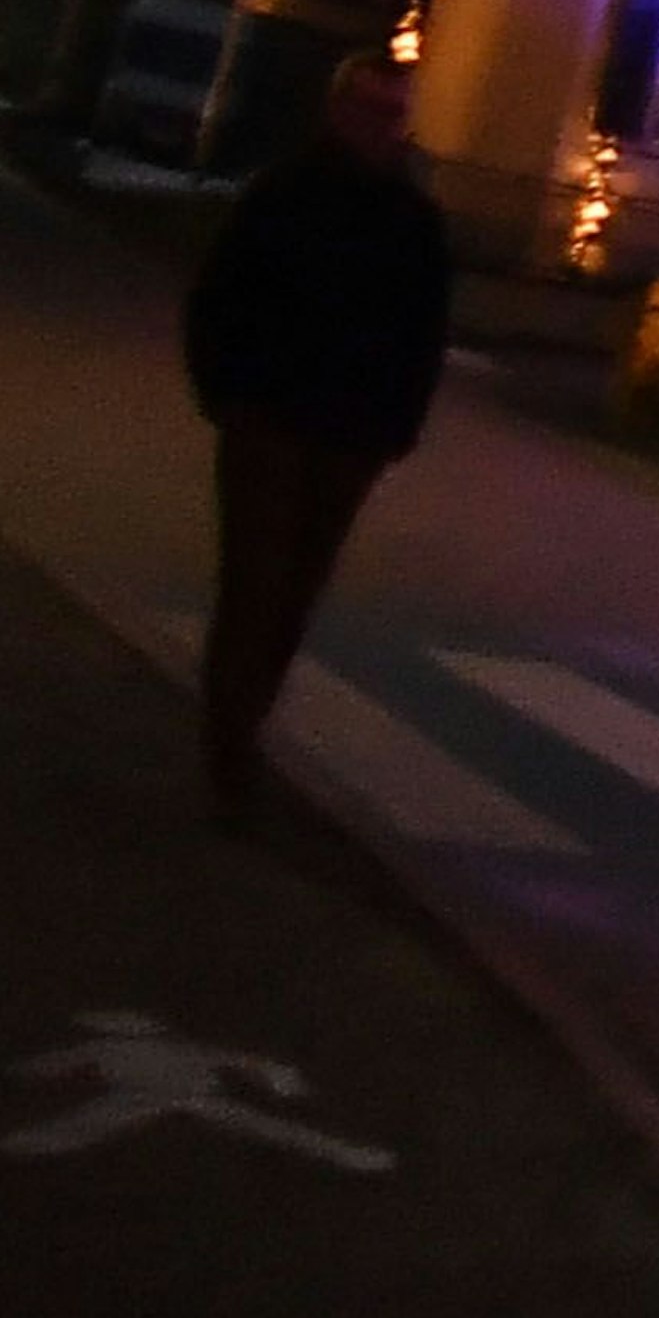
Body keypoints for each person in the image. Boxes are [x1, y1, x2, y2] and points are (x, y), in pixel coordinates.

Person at [183, 47, 454, 824]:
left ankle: (244, 727)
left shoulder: (411, 221)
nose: (382, 128)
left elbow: (424, 332)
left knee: (296, 591)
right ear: (338, 110)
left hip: (351, 434)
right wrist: (227, 393)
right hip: (270, 419)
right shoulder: (284, 194)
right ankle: (228, 745)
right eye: (370, 109)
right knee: (255, 585)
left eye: (393, 113)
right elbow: (218, 296)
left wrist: (398, 426)